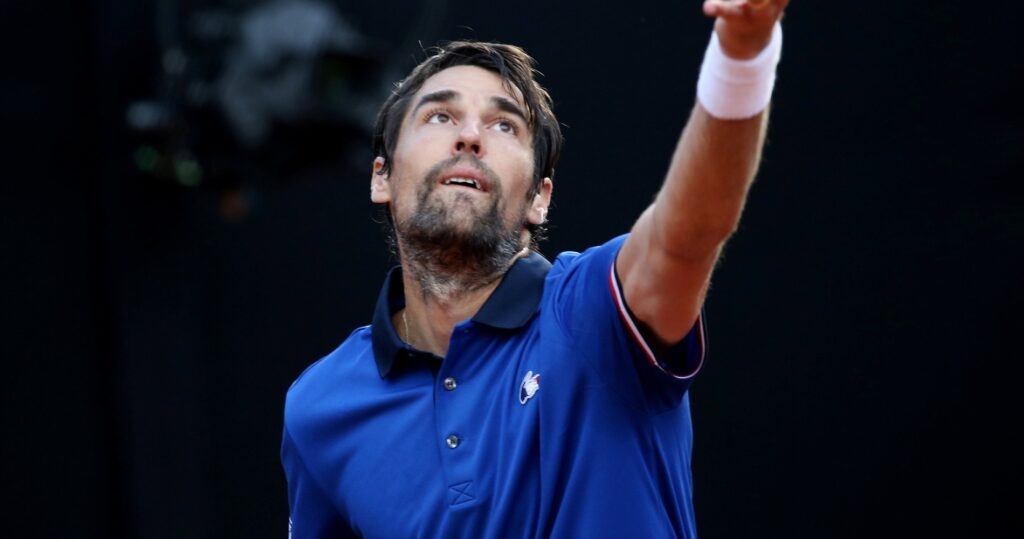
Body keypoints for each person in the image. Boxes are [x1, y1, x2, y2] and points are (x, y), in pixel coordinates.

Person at [281, 1, 789, 537]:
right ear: (380, 177)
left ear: (539, 199)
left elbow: (689, 234)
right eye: (440, 115)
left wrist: (743, 50)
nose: (469, 137)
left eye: (504, 125)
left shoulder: (593, 308)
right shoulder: (320, 407)